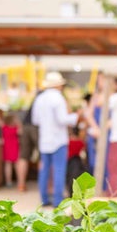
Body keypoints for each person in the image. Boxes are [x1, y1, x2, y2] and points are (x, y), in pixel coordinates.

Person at [31, 71, 80, 207]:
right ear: (58, 85)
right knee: (59, 169)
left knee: (44, 170)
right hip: (58, 140)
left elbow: (35, 120)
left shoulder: (39, 99)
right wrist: (76, 117)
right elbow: (63, 119)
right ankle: (58, 200)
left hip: (44, 140)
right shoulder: (58, 98)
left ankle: (44, 199)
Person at [17, 89, 41, 192]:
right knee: (43, 156)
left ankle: (21, 184)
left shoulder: (35, 100)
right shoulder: (47, 99)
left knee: (23, 156)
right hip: (37, 127)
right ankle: (43, 185)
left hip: (25, 126)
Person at [1, 112, 21, 187]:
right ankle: (20, 181)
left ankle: (8, 181)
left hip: (6, 148)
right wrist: (19, 123)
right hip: (15, 148)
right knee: (17, 164)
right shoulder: (15, 129)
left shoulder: (4, 128)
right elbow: (21, 131)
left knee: (7, 164)